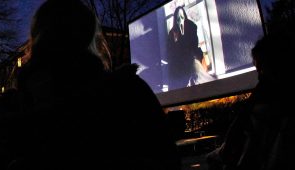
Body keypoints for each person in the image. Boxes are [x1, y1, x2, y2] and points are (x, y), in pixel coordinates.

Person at [13, 0, 181, 169]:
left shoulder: (23, 111)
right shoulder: (126, 93)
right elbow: (167, 158)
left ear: (36, 37)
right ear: (89, 35)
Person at [206, 31, 295, 170]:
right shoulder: (260, 101)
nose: (259, 77)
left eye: (261, 69)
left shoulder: (265, 107)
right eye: (257, 70)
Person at [167, 6, 209, 89]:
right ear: (175, 19)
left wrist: (183, 34)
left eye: (182, 17)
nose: (180, 19)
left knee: (193, 65)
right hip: (179, 58)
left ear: (185, 16)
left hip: (191, 54)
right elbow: (172, 50)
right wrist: (176, 40)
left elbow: (194, 44)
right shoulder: (172, 32)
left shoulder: (191, 26)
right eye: (178, 18)